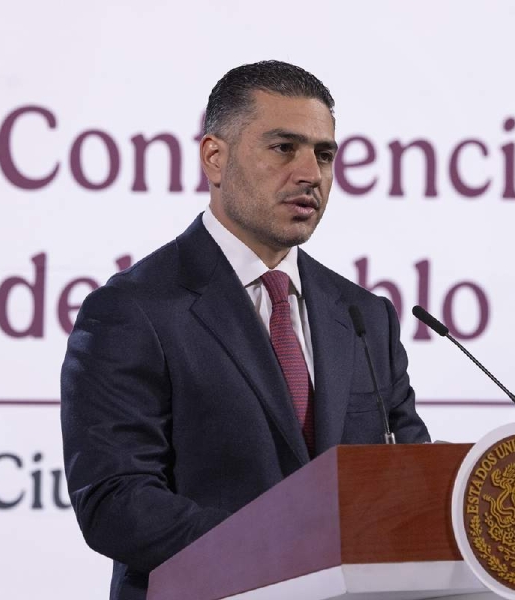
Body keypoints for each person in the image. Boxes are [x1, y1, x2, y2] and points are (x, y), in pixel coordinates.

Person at [60, 60, 430, 600]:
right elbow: (115, 502)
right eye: (284, 147)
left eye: (324, 154)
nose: (311, 174)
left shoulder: (362, 316)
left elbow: (409, 475)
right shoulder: (134, 310)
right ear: (215, 156)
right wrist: (286, 550)